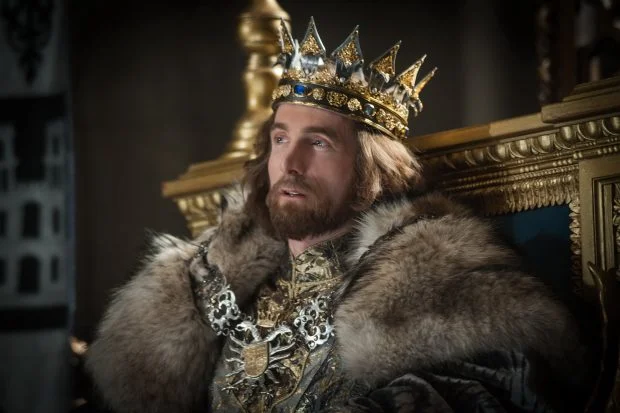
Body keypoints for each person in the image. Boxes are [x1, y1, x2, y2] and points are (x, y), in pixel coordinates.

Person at [84, 17, 588, 413]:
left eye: (319, 143)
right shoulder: (214, 287)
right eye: (280, 139)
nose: (291, 163)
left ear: (372, 166)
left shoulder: (434, 290)